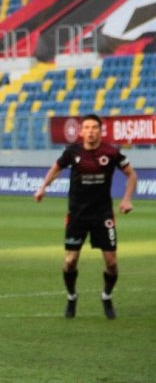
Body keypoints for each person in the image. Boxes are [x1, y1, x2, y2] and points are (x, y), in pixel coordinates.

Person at [34, 113, 137, 319]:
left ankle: (106, 296)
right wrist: (43, 187)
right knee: (70, 260)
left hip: (103, 215)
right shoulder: (73, 152)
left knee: (111, 263)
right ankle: (72, 297)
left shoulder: (110, 152)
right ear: (81, 131)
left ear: (101, 131)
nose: (90, 131)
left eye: (94, 128)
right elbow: (56, 168)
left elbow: (131, 175)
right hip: (77, 215)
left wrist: (126, 199)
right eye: (87, 128)